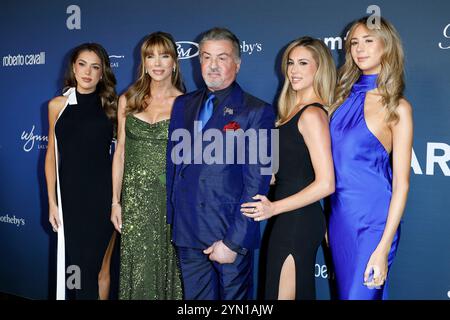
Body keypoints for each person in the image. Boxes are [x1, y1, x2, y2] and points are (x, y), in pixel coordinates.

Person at [166, 27, 275, 300]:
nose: (212, 66)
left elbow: (256, 185)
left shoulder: (257, 111)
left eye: (222, 58)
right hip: (188, 232)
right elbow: (175, 168)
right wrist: (175, 221)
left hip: (228, 234)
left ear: (237, 64)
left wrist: (233, 242)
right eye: (206, 57)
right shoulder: (182, 105)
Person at [241, 37, 336, 300]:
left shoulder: (312, 115)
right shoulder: (289, 111)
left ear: (319, 69)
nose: (293, 70)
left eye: (303, 63)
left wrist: (274, 208)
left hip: (298, 218)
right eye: (291, 63)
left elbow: (326, 183)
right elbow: (284, 171)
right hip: (287, 216)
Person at [327, 16, 413, 300]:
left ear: (386, 47)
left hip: (374, 222)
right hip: (340, 218)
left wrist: (384, 245)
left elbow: (401, 184)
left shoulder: (397, 107)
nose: (359, 49)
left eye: (368, 41)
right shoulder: (339, 98)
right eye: (354, 43)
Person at [110, 32, 185, 300]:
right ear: (143, 61)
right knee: (137, 270)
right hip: (134, 201)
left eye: (164, 55)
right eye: (150, 56)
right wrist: (115, 202)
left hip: (170, 200)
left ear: (174, 62)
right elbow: (120, 153)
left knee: (168, 270)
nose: (157, 63)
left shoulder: (186, 103)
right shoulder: (127, 99)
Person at [45, 43, 118, 300]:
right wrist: (53, 203)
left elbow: (121, 156)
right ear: (73, 68)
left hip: (103, 196)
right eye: (82, 64)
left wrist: (116, 202)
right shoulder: (57, 105)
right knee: (73, 267)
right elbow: (51, 157)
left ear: (102, 73)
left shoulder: (112, 106)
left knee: (101, 268)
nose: (88, 72)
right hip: (70, 198)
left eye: (95, 66)